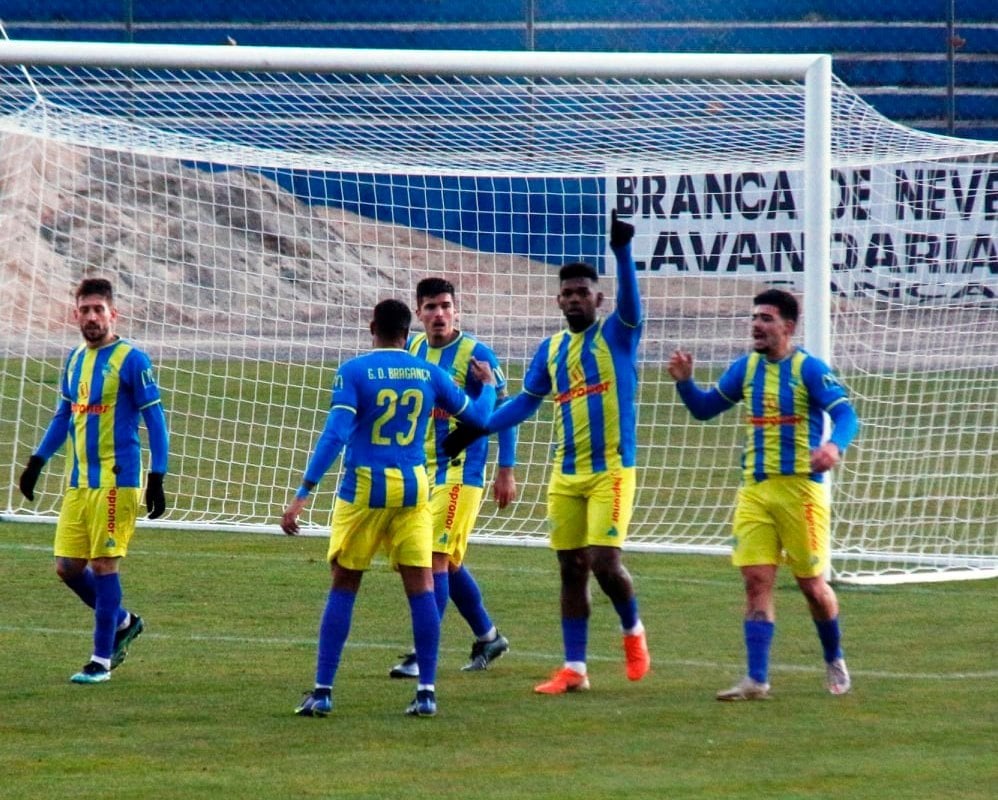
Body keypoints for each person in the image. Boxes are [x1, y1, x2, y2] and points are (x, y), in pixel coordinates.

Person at [443, 211, 651, 694]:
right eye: (569, 293)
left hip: (613, 470)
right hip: (567, 472)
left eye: (584, 292)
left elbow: (634, 307)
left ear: (597, 298)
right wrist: (475, 430)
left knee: (604, 562)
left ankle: (632, 630)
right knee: (570, 567)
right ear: (559, 300)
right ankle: (574, 668)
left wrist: (622, 251)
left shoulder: (618, 335)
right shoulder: (551, 349)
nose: (576, 299)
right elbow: (521, 404)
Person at [281, 298, 498, 719]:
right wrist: (487, 386)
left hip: (363, 490)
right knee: (422, 588)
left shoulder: (354, 372)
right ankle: (426, 692)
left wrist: (303, 493)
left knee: (344, 585)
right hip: (415, 491)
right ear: (407, 332)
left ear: (371, 327)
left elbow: (334, 436)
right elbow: (479, 420)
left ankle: (323, 690)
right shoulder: (429, 372)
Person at [666, 288, 859, 700]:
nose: (756, 324)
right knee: (756, 581)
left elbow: (845, 413)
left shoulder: (808, 368)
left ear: (787, 327)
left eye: (766, 318)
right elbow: (704, 409)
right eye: (754, 317)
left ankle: (834, 656)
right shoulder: (746, 368)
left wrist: (833, 446)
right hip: (755, 490)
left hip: (800, 493)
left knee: (812, 586)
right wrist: (685, 385)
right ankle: (757, 679)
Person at [17, 277, 168, 684]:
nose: (91, 317)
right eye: (84, 310)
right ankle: (122, 621)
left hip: (119, 482)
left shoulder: (132, 360)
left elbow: (156, 420)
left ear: (113, 314)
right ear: (76, 314)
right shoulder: (74, 359)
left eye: (98, 310)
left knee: (104, 565)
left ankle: (100, 661)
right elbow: (63, 416)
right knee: (67, 567)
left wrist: (157, 477)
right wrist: (37, 461)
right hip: (80, 482)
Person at [388, 277, 517, 680]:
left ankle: (420, 653)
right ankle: (488, 635)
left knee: (433, 558)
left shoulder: (476, 354)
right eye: (430, 307)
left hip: (462, 473)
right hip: (420, 471)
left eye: (445, 306)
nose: (439, 314)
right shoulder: (413, 349)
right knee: (449, 562)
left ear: (456, 310)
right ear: (419, 313)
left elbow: (506, 407)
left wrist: (506, 470)